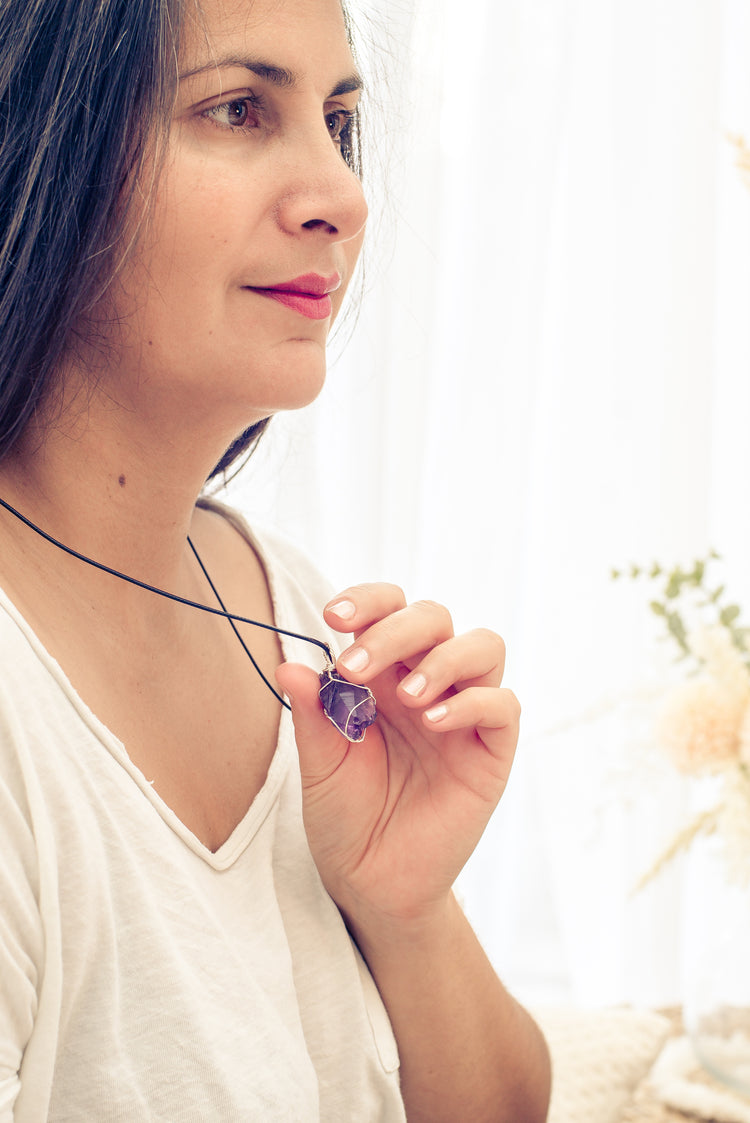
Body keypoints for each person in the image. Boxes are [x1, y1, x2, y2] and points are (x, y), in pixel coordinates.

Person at [0, 0, 551, 1118]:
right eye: (238, 110)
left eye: (340, 121)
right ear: (40, 143)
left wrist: (405, 906)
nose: (344, 196)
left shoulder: (290, 605)